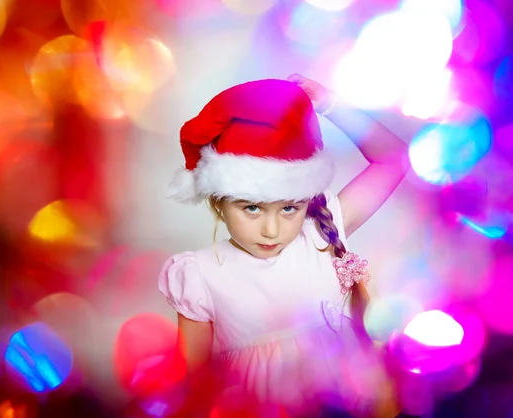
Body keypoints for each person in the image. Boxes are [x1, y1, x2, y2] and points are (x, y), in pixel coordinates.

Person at [159, 75, 409, 417]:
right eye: (251, 208)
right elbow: (193, 385)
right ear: (219, 202)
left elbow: (393, 158)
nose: (271, 229)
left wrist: (332, 105)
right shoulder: (198, 275)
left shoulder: (323, 230)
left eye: (289, 208)